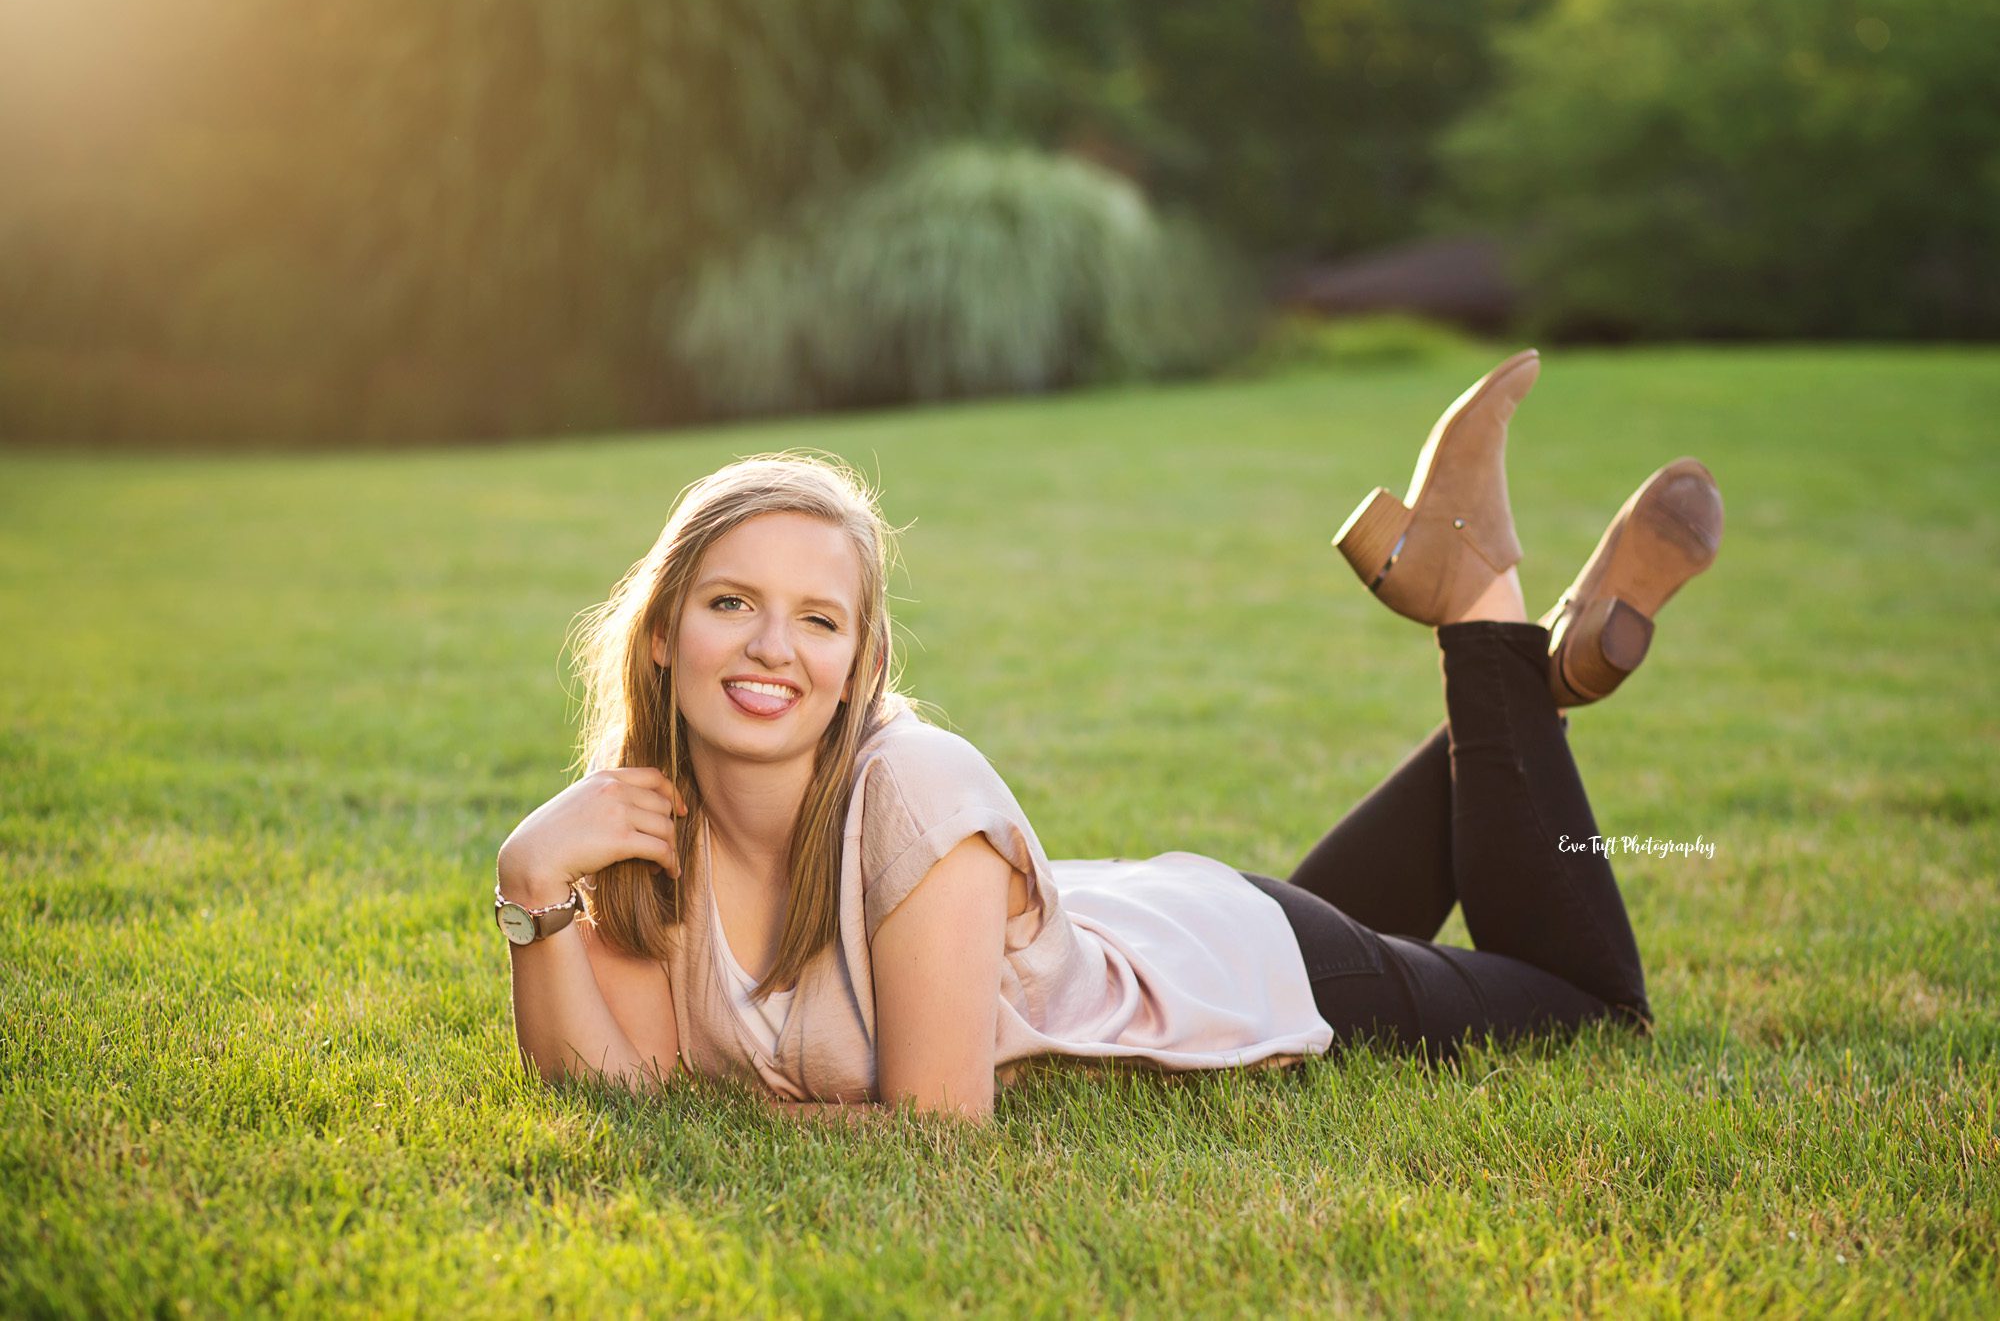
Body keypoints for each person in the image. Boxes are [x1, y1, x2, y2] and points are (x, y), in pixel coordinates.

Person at [493, 350, 1725, 1124]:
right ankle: (1530, 677)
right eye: (729, 604)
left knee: (1591, 1011)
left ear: (860, 664)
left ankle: (1479, 604)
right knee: (1498, 770)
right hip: (1156, 930)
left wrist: (741, 1113)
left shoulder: (914, 791)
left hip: (1264, 973)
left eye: (815, 618)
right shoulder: (653, 835)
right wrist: (529, 885)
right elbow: (614, 1083)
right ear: (661, 634)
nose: (771, 647)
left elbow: (936, 1133)